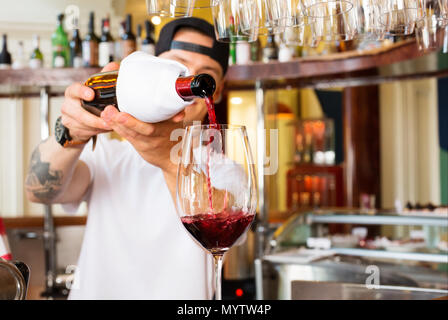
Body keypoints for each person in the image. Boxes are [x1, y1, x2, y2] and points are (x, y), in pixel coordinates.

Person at [24, 17, 229, 299]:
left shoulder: (222, 169)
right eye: (179, 64)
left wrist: (169, 161)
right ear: (154, 68)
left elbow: (221, 233)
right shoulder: (108, 152)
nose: (190, 78)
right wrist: (71, 132)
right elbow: (40, 192)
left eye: (206, 73)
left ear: (215, 92)